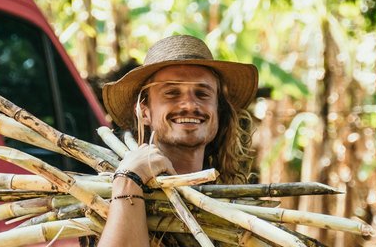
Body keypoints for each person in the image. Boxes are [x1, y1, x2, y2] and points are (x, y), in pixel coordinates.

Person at [97, 34, 258, 247]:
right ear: (144, 112)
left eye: (202, 93)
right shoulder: (106, 196)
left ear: (218, 111)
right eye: (172, 92)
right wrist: (128, 181)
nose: (190, 105)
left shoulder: (240, 213)